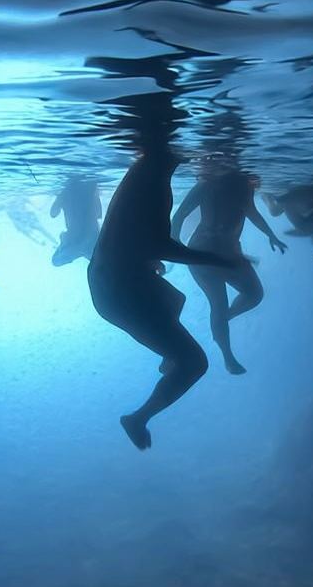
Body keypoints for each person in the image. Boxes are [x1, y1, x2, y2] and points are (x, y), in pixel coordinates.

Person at [88, 143, 241, 450]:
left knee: (176, 300)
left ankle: (168, 352)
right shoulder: (153, 179)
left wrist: (141, 257)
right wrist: (221, 261)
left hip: (115, 280)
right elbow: (160, 244)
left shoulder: (146, 174)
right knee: (194, 363)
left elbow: (136, 235)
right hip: (121, 290)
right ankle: (138, 417)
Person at [170, 161, 286, 374]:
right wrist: (175, 247)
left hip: (226, 252)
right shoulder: (208, 184)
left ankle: (224, 321)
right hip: (204, 252)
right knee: (220, 303)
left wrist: (270, 234)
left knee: (252, 295)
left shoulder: (240, 183)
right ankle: (227, 355)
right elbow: (179, 216)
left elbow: (252, 213)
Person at [50, 176, 103, 266]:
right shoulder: (86, 247)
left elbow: (57, 260)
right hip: (84, 188)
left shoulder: (86, 247)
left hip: (81, 189)